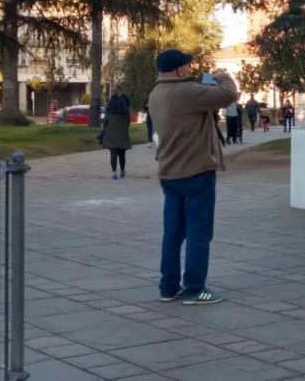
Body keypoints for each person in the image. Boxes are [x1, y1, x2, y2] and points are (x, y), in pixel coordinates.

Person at [148, 49, 239, 305]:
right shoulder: (187, 92)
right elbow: (229, 94)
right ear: (179, 70)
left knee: (173, 233)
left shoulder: (156, 93)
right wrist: (222, 75)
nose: (190, 70)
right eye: (187, 66)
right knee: (199, 232)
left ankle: (168, 287)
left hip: (169, 172)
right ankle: (195, 289)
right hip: (196, 172)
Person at [102, 86, 132, 180]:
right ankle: (122, 170)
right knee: (122, 153)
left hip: (111, 133)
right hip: (122, 133)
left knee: (113, 153)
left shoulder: (110, 109)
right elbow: (128, 122)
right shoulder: (126, 111)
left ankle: (114, 173)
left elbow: (105, 122)